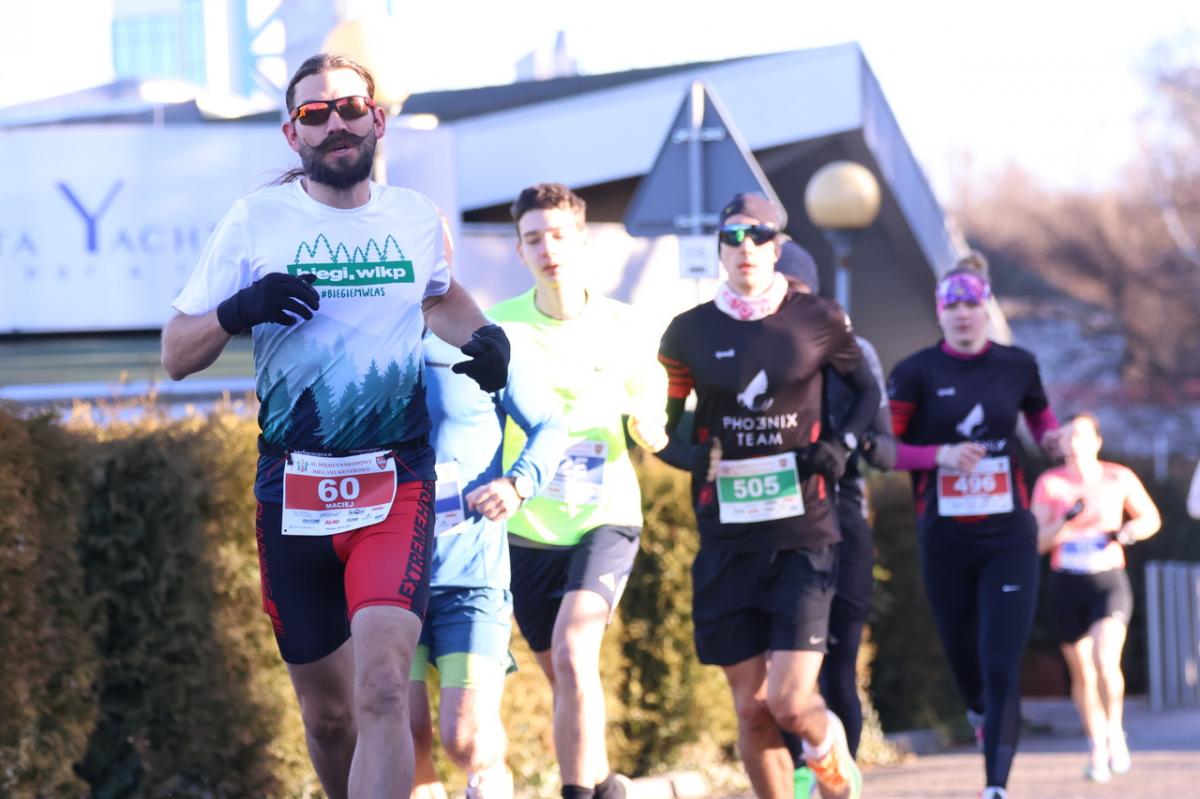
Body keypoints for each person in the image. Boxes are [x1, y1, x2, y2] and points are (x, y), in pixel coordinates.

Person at [161, 53, 510, 799]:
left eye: (350, 108)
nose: (336, 124)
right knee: (327, 717)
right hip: (293, 492)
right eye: (315, 114)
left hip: (395, 483)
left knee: (383, 689)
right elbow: (175, 354)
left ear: (377, 119)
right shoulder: (255, 220)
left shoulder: (414, 217)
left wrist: (485, 337)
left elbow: (440, 297)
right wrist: (239, 309)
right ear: (293, 134)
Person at [645, 194, 881, 799]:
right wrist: (689, 458)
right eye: (732, 236)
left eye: (758, 235)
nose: (745, 247)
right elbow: (658, 426)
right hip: (726, 538)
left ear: (777, 246)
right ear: (718, 250)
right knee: (751, 709)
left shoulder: (820, 319)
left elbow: (867, 390)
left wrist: (841, 445)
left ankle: (828, 754)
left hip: (804, 534)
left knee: (789, 700)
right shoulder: (688, 332)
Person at [488, 183, 665, 799]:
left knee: (572, 652)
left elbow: (651, 399)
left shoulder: (626, 325)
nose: (549, 249)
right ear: (520, 250)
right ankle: (604, 784)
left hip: (604, 517)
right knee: (564, 674)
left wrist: (650, 425)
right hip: (526, 525)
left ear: (582, 241)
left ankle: (579, 793)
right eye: (534, 238)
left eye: (559, 235)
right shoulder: (500, 327)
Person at [887, 252, 1063, 799]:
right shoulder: (916, 372)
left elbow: (1041, 419)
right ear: (939, 312)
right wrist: (938, 455)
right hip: (945, 537)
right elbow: (883, 449)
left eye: (971, 304)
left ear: (986, 307)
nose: (963, 314)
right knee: (966, 660)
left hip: (1008, 535)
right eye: (952, 306)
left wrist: (1054, 440)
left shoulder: (1017, 365)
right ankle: (980, 711)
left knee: (1000, 661)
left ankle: (995, 787)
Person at [410, 329, 568, 799]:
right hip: (388, 579)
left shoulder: (477, 340)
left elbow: (550, 424)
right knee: (403, 732)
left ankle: (492, 776)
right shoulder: (367, 342)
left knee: (468, 741)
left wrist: (518, 484)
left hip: (470, 576)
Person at [1031, 413, 1160, 782]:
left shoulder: (1118, 477)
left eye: (1081, 437)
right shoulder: (1050, 483)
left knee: (1106, 660)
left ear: (1097, 442)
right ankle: (1096, 744)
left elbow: (1151, 519)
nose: (1073, 444)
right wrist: (1066, 522)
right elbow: (1037, 542)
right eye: (1066, 437)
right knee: (1083, 672)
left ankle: (1115, 731)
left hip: (1108, 580)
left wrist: (1128, 532)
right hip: (1067, 583)